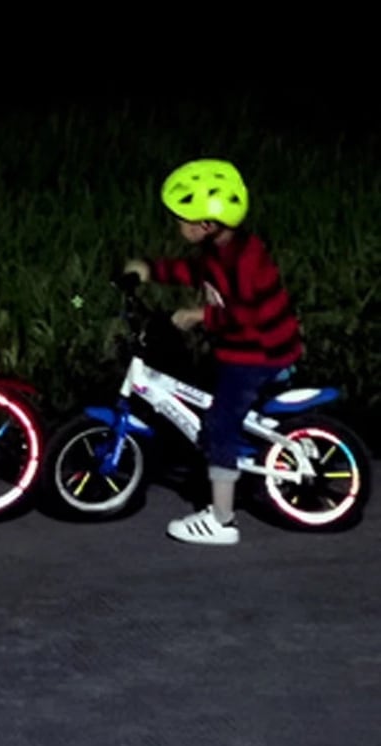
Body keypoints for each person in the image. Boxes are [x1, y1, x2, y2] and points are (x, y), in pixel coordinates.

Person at [124, 158, 303, 545]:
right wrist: (148, 270)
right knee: (209, 398)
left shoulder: (246, 259)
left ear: (205, 224)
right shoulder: (220, 250)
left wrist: (198, 315)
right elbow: (192, 272)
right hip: (242, 348)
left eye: (183, 218)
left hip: (259, 351)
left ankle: (222, 520)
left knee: (220, 424)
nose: (178, 225)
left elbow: (244, 315)